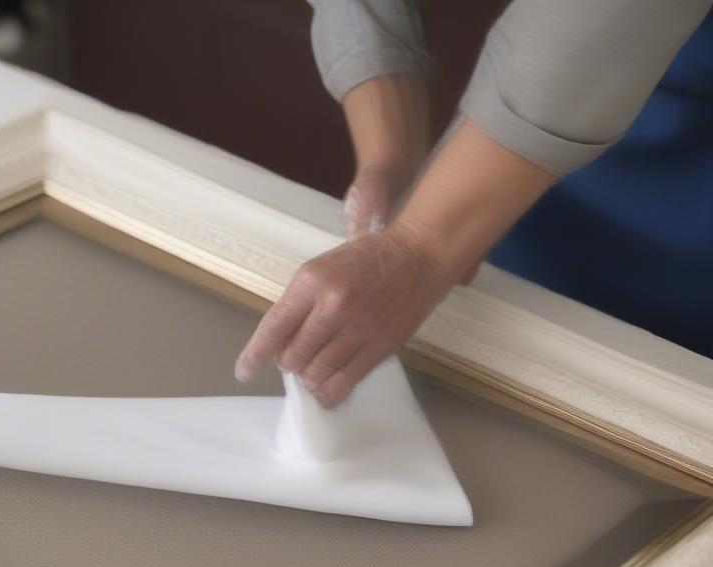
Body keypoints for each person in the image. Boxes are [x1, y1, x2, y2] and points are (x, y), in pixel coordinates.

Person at [235, 0, 713, 407]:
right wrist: (391, 160)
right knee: (513, 345)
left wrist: (419, 248)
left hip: (662, 128)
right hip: (560, 121)